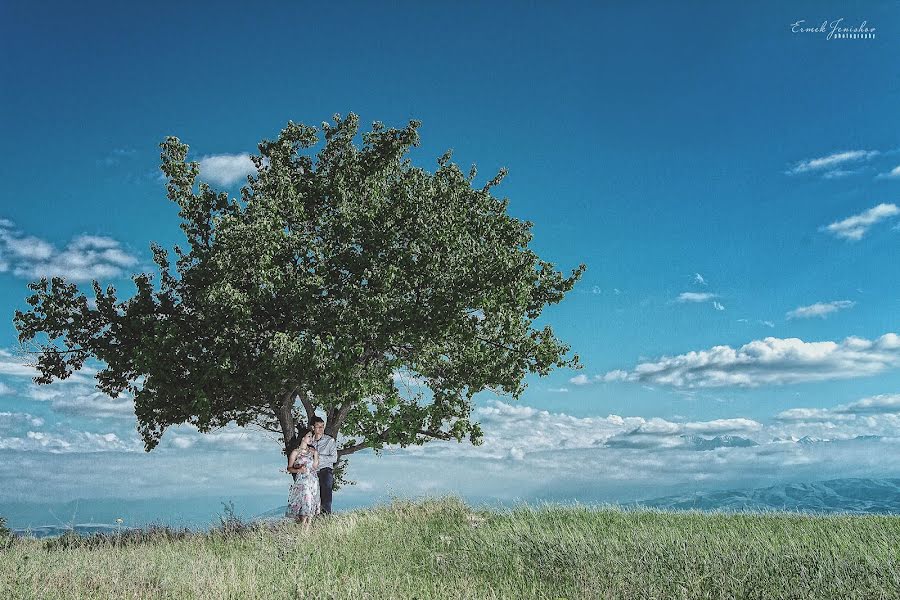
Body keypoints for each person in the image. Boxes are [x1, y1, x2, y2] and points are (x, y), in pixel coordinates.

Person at [285, 427, 320, 525]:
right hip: (302, 480)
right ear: (302, 438)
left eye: (311, 436)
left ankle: (307, 531)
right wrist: (299, 470)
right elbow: (289, 468)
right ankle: (302, 530)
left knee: (311, 503)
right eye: (308, 436)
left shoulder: (312, 451)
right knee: (306, 501)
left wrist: (316, 455)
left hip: (313, 480)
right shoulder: (295, 452)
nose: (311, 438)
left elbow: (315, 466)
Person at [309, 416, 337, 514]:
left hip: (325, 471)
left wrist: (317, 455)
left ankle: (326, 518)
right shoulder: (308, 441)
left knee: (326, 496)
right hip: (312, 472)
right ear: (313, 428)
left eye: (322, 426)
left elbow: (334, 458)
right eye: (318, 426)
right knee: (311, 497)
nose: (321, 429)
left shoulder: (330, 441)